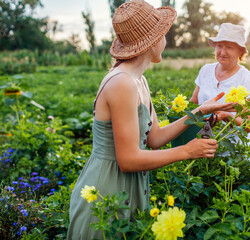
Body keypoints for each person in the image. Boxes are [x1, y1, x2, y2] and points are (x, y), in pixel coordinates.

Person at [67, 1, 236, 239]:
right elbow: (127, 159)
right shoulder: (122, 83)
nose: (166, 40)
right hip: (106, 190)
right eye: (164, 34)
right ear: (152, 40)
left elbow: (154, 138)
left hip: (128, 185)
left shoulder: (139, 80)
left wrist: (200, 110)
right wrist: (187, 151)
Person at [190, 23, 250, 155]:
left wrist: (226, 116)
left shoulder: (246, 78)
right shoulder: (206, 70)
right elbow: (193, 101)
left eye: (229, 47)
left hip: (233, 152)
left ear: (240, 51)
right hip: (203, 147)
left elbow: (248, 125)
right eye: (219, 46)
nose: (222, 52)